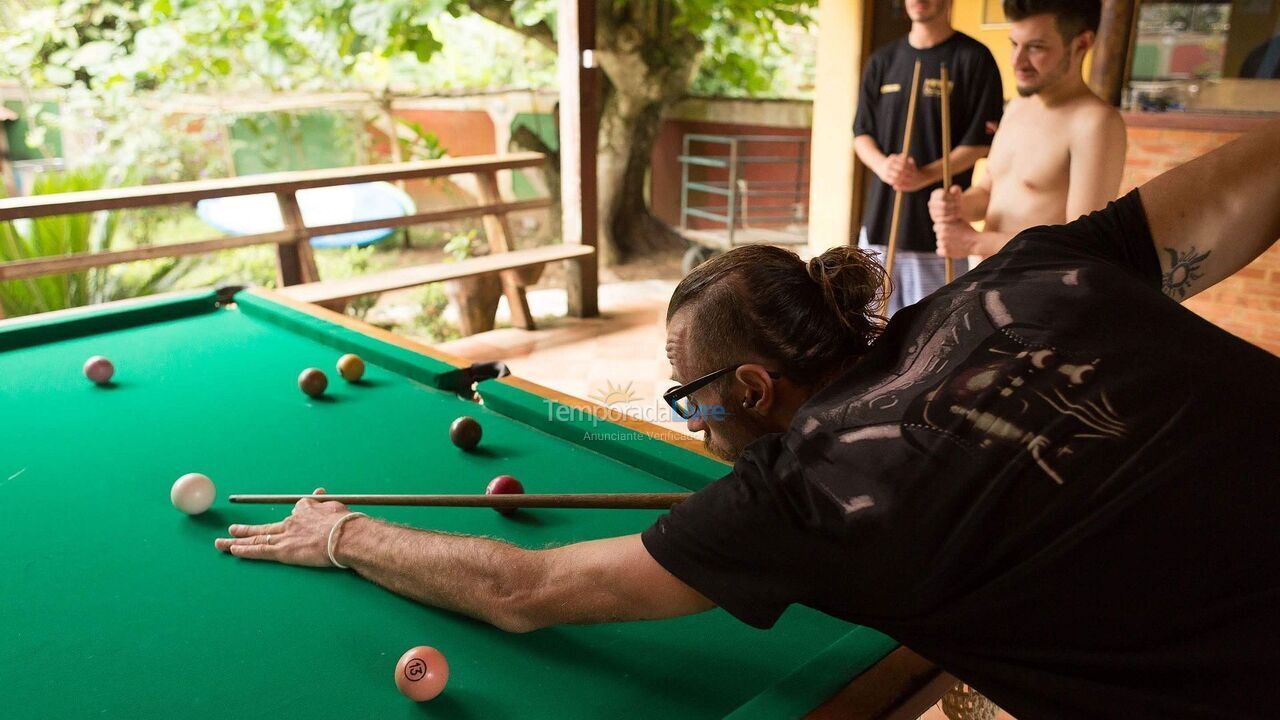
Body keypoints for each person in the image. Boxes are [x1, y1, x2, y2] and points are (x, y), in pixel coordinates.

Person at [217, 121, 1280, 719]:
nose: (692, 427)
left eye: (692, 400)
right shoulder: (1020, 275)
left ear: (757, 392)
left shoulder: (803, 493)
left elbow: (522, 589)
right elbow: (1252, 179)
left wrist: (344, 533)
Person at [929, 0, 1127, 261]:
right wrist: (958, 206)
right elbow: (989, 193)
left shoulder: (1095, 123)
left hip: (1038, 297)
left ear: (1081, 44)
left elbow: (1081, 244)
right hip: (988, 286)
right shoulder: (1016, 106)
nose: (1016, 61)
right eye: (1014, 44)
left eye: (1035, 47)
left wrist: (974, 242)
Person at [853, 0, 1005, 315]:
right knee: (871, 330)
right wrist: (885, 166)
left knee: (931, 334)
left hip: (938, 234)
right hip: (880, 226)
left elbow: (980, 142)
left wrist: (925, 175)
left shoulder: (974, 58)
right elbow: (861, 134)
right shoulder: (883, 60)